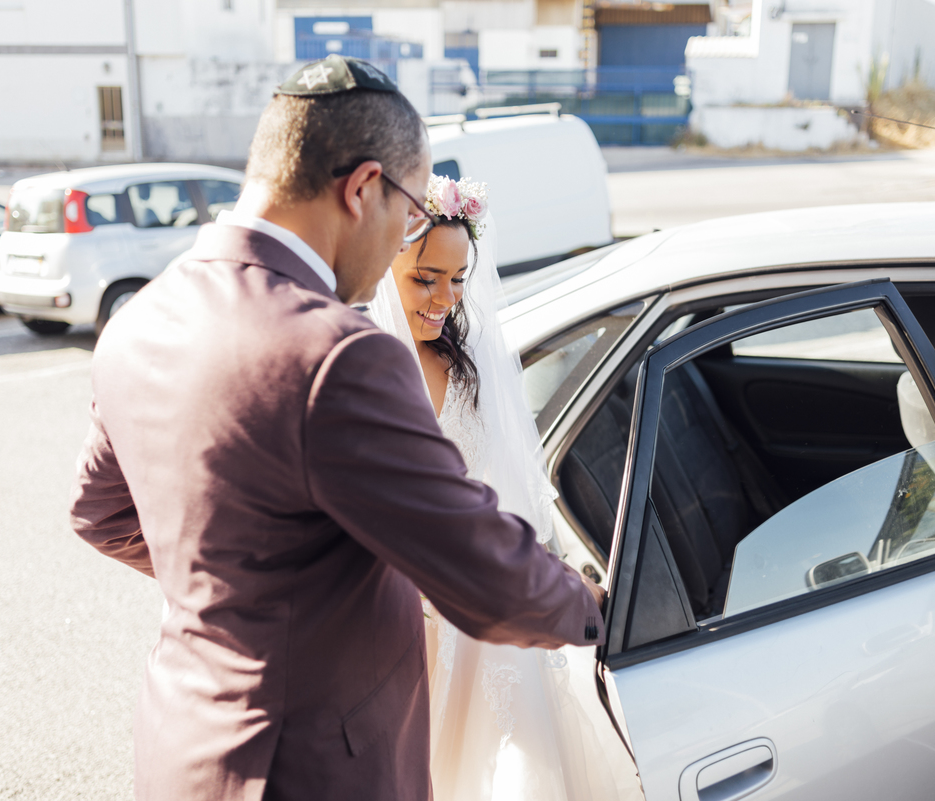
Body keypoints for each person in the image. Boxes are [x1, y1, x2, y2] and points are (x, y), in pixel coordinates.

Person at [67, 54, 605, 801]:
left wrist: (239, 582)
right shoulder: (340, 354)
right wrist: (595, 607)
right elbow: (483, 575)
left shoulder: (138, 322)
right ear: (361, 189)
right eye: (409, 213)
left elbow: (100, 514)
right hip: (316, 766)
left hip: (180, 750)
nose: (405, 236)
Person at [369, 178, 641, 801]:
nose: (446, 298)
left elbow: (498, 496)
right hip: (396, 623)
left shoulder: (466, 368)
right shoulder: (358, 373)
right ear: (385, 267)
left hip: (476, 610)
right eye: (426, 279)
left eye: (458, 279)